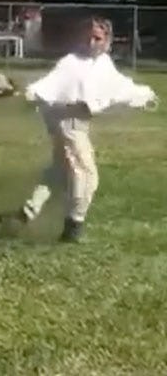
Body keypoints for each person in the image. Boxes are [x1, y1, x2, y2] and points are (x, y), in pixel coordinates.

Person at [12, 16, 158, 243]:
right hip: (68, 122)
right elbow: (52, 82)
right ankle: (74, 225)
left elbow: (119, 85)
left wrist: (143, 94)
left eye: (97, 38)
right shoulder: (73, 61)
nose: (92, 42)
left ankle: (28, 211)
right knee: (86, 174)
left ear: (107, 39)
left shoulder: (102, 63)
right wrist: (33, 92)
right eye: (89, 37)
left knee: (60, 170)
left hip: (78, 122)